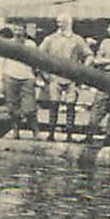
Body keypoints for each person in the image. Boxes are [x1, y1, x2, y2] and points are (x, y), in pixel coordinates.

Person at [38, 13, 91, 141]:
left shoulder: (77, 40)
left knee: (70, 106)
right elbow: (39, 56)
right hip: (55, 76)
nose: (60, 25)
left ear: (69, 23)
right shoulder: (50, 39)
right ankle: (51, 133)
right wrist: (45, 74)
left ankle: (69, 134)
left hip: (72, 78)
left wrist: (82, 70)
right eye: (58, 22)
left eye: (62, 22)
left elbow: (89, 55)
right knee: (54, 104)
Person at [0, 28, 40, 139]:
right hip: (10, 77)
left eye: (20, 30)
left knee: (30, 108)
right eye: (15, 30)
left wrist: (36, 77)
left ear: (24, 31)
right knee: (12, 108)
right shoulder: (7, 43)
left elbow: (37, 61)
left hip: (27, 77)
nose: (18, 33)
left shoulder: (31, 45)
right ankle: (16, 131)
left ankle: (36, 132)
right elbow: (0, 63)